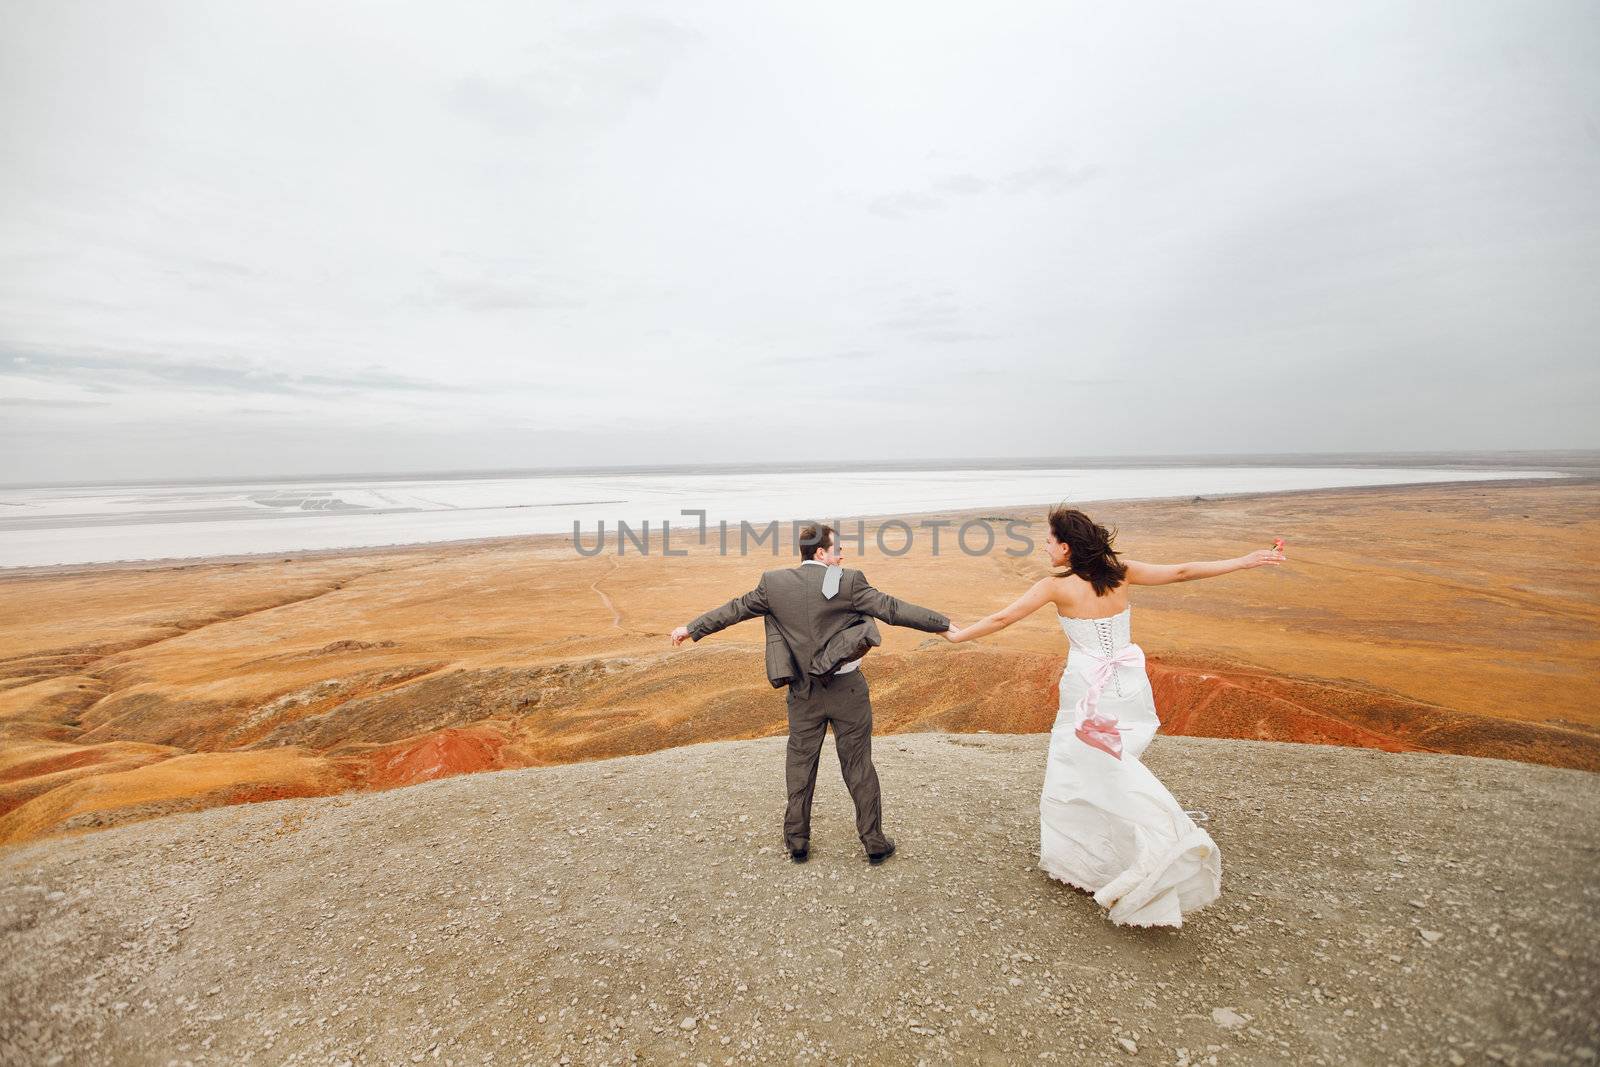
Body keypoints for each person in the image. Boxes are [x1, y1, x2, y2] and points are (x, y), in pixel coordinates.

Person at [948, 503, 1285, 926]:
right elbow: (1183, 571)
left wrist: (960, 636)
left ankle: (1158, 843)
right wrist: (1247, 560)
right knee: (1106, 764)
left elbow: (1001, 618)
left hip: (1087, 689)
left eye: (1049, 540)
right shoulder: (1120, 572)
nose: (1044, 546)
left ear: (1066, 548)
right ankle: (1106, 856)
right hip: (1127, 684)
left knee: (1081, 766)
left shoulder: (1056, 587)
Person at [670, 522, 958, 864]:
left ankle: (797, 842)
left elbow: (733, 610)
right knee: (858, 765)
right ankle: (874, 843)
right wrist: (944, 625)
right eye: (837, 549)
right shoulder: (850, 582)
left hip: (802, 693)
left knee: (800, 763)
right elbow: (892, 608)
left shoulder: (773, 584)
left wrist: (691, 628)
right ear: (820, 553)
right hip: (847, 691)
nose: (842, 554)